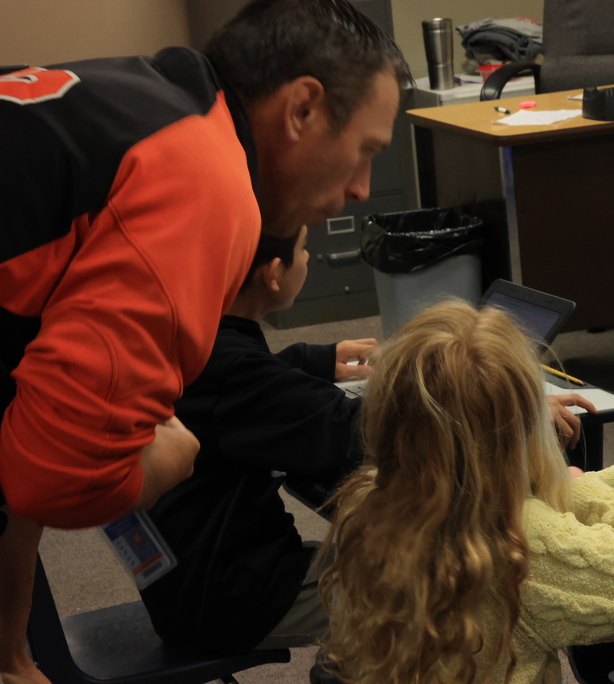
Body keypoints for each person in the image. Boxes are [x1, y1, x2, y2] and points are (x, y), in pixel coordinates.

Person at [0, 1, 408, 682]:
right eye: (364, 151)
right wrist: (154, 463)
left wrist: (10, 649)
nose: (362, 189)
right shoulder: (201, 175)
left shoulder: (142, 107)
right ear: (303, 108)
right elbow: (53, 477)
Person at [138, 226, 597, 658]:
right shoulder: (238, 375)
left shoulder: (201, 340)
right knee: (469, 585)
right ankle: (343, 673)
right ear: (272, 276)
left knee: (410, 545)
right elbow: (356, 429)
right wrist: (508, 409)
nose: (309, 256)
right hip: (229, 599)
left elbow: (252, 386)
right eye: (302, 247)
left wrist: (312, 360)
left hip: (192, 576)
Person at [316, 302, 614, 684]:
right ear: (523, 430)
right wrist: (586, 490)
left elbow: (496, 491)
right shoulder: (518, 544)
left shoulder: (366, 498)